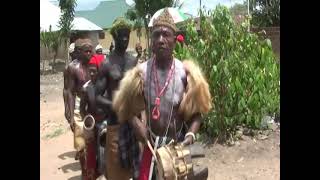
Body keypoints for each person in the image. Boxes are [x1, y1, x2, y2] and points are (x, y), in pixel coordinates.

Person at [112, 8, 212, 180]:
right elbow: (126, 109)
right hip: (151, 145)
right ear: (151, 39)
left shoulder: (185, 74)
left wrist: (190, 136)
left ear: (174, 39)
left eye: (166, 35)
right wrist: (137, 125)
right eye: (156, 35)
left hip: (178, 147)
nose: (161, 40)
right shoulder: (140, 73)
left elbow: (196, 114)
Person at [94, 17, 138, 180]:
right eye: (121, 36)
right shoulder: (106, 64)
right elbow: (97, 97)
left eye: (127, 36)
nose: (125, 39)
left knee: (135, 171)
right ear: (114, 37)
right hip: (115, 125)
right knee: (116, 172)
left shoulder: (133, 61)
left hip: (134, 124)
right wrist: (116, 105)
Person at [63, 38, 94, 180]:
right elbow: (68, 91)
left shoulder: (96, 65)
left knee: (94, 140)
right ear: (79, 52)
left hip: (93, 106)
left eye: (91, 50)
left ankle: (94, 169)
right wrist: (68, 112)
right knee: (81, 143)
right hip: (78, 107)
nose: (89, 53)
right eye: (86, 51)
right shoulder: (72, 68)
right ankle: (84, 171)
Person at [80, 58, 107, 179]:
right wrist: (87, 121)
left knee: (103, 154)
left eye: (94, 71)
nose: (91, 74)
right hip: (92, 125)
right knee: (90, 154)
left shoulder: (106, 87)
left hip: (105, 125)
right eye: (89, 71)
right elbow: (82, 108)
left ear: (99, 71)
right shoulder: (86, 88)